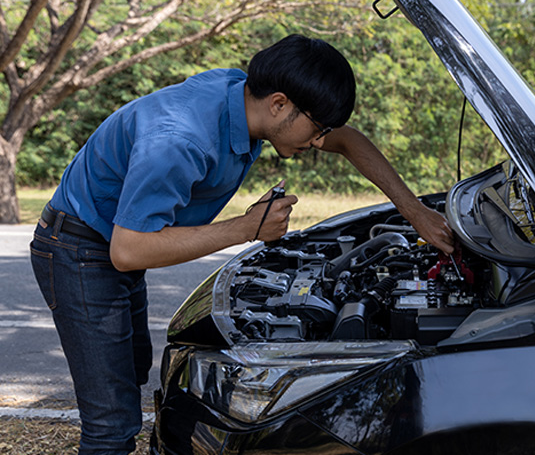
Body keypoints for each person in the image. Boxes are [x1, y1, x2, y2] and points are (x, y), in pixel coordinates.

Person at [29, 34, 454, 454]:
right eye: (317, 128)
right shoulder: (182, 141)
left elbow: (347, 139)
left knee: (131, 374)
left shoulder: (242, 95)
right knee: (111, 423)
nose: (319, 141)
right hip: (79, 250)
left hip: (107, 242)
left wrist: (414, 212)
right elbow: (129, 250)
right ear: (279, 104)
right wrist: (247, 227)